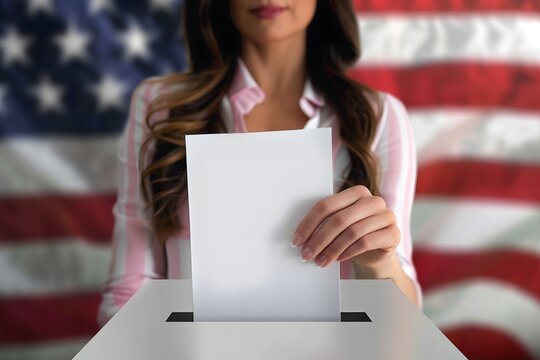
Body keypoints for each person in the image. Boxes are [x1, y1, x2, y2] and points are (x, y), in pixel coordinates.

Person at [97, 0, 422, 327]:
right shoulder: (160, 108)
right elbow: (129, 288)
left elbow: (405, 324)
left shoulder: (377, 117)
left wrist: (381, 264)